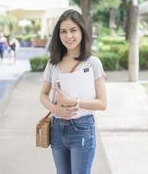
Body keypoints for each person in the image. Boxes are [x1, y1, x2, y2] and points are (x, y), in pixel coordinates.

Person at [40, 9, 107, 174]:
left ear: (82, 32)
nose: (68, 36)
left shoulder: (93, 63)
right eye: (63, 31)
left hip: (82, 128)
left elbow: (102, 103)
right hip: (57, 129)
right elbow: (42, 95)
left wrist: (74, 102)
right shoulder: (53, 63)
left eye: (73, 30)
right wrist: (54, 108)